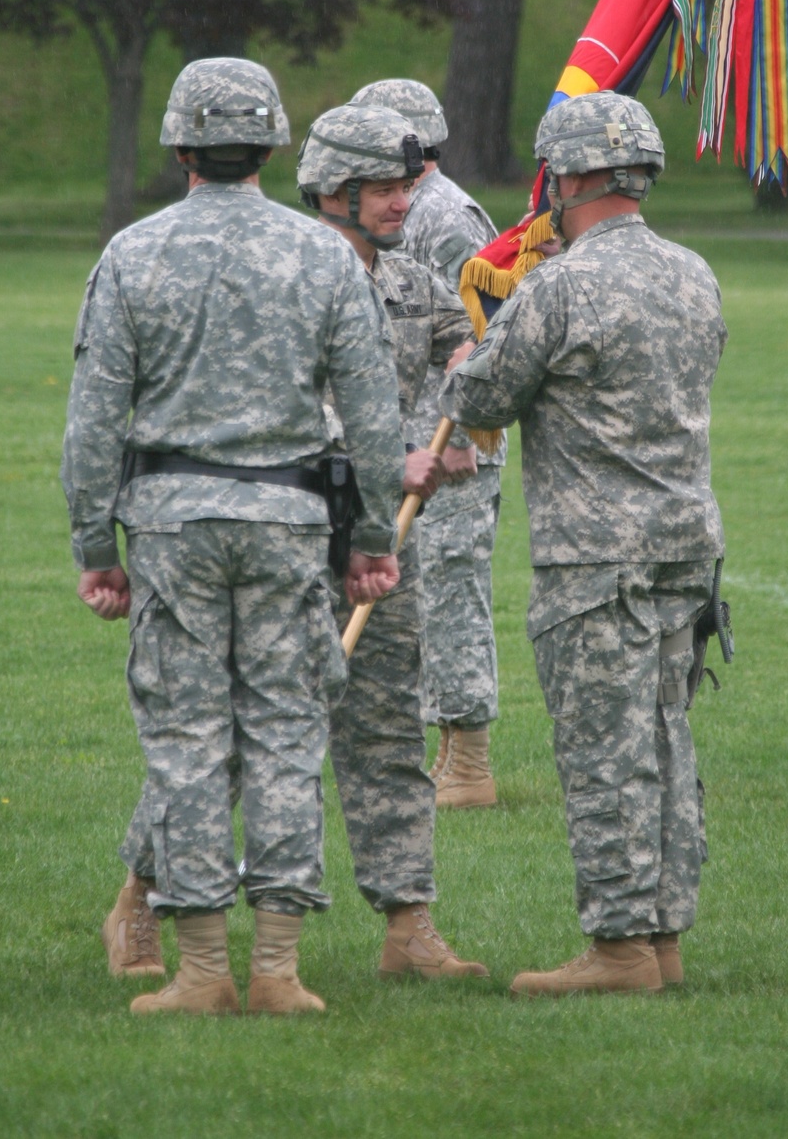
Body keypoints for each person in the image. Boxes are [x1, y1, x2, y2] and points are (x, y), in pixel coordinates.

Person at [63, 58, 405, 1016]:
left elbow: (92, 423)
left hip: (173, 531)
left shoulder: (132, 254)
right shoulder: (324, 255)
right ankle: (280, 972)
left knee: (186, 738)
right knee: (289, 733)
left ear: (179, 147)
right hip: (292, 528)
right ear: (272, 145)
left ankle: (204, 970)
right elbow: (374, 419)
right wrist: (371, 536)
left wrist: (97, 547)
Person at [439, 91, 727, 997]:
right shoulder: (695, 272)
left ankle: (618, 949)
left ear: (565, 180)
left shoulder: (560, 285)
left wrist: (461, 368)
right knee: (665, 741)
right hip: (686, 547)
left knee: (604, 750)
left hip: (595, 558)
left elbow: (484, 401)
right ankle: (663, 937)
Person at [296, 103, 489, 980]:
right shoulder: (285, 275)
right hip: (291, 541)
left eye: (406, 183)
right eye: (380, 186)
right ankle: (144, 902)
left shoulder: (413, 281)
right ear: (331, 191)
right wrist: (386, 460)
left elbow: (465, 345)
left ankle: (409, 928)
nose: (400, 201)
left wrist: (469, 376)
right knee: (244, 734)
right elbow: (278, 410)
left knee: (385, 739)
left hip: (380, 549)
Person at [349, 79, 505, 808]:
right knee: (409, 595)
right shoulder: (403, 209)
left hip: (452, 447)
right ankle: (432, 750)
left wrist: (464, 437)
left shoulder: (445, 217)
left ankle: (467, 762)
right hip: (407, 444)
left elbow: (483, 333)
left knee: (449, 593)